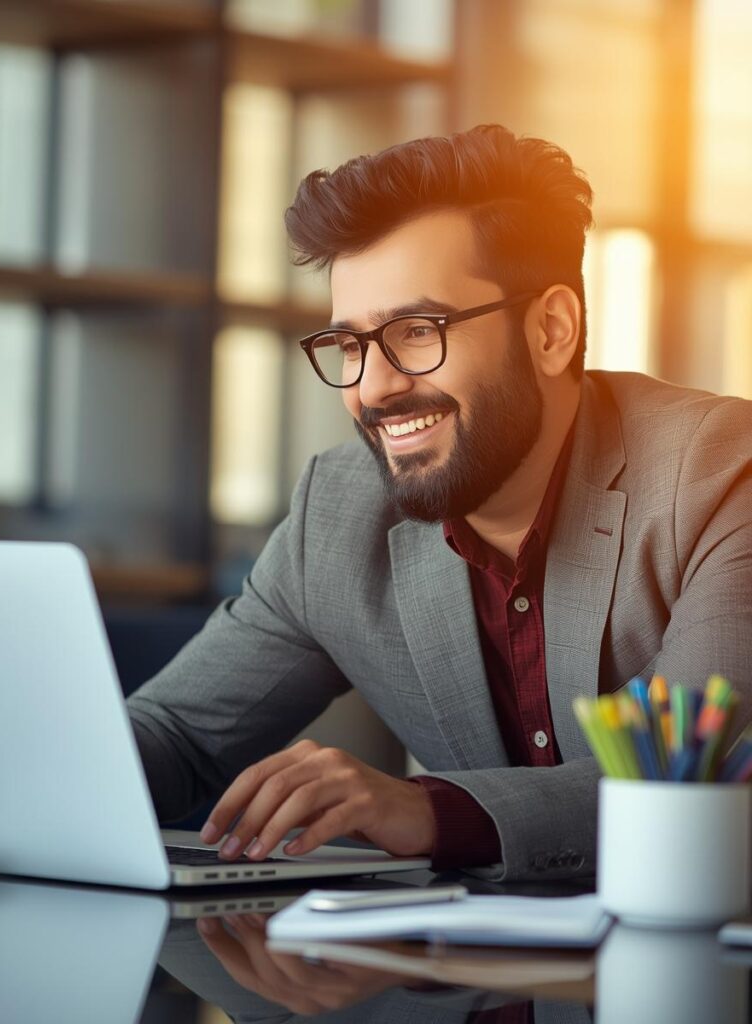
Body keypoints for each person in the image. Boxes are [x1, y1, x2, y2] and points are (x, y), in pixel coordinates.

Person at [127, 124, 752, 880]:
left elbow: (695, 786)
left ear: (551, 329)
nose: (375, 386)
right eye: (350, 345)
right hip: (474, 983)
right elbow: (178, 735)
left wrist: (427, 811)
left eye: (418, 331)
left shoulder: (718, 473)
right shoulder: (338, 511)